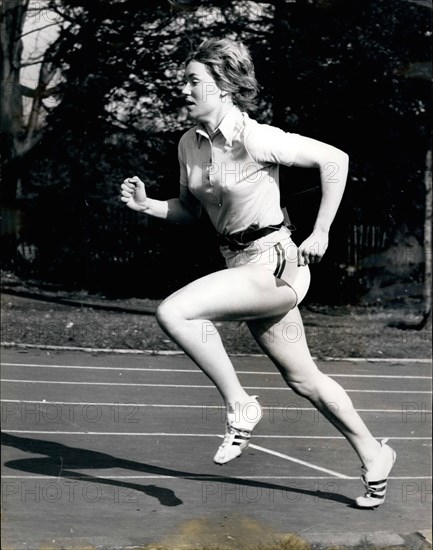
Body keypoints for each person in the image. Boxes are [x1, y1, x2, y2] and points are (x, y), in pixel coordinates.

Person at [120, 37, 396, 509]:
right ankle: (374, 454)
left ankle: (240, 404)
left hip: (277, 266)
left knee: (176, 312)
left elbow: (336, 160)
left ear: (224, 87)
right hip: (240, 266)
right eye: (184, 80)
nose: (183, 89)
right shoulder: (189, 143)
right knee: (304, 379)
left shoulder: (255, 137)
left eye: (194, 82)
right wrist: (148, 206)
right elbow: (190, 211)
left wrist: (322, 231)